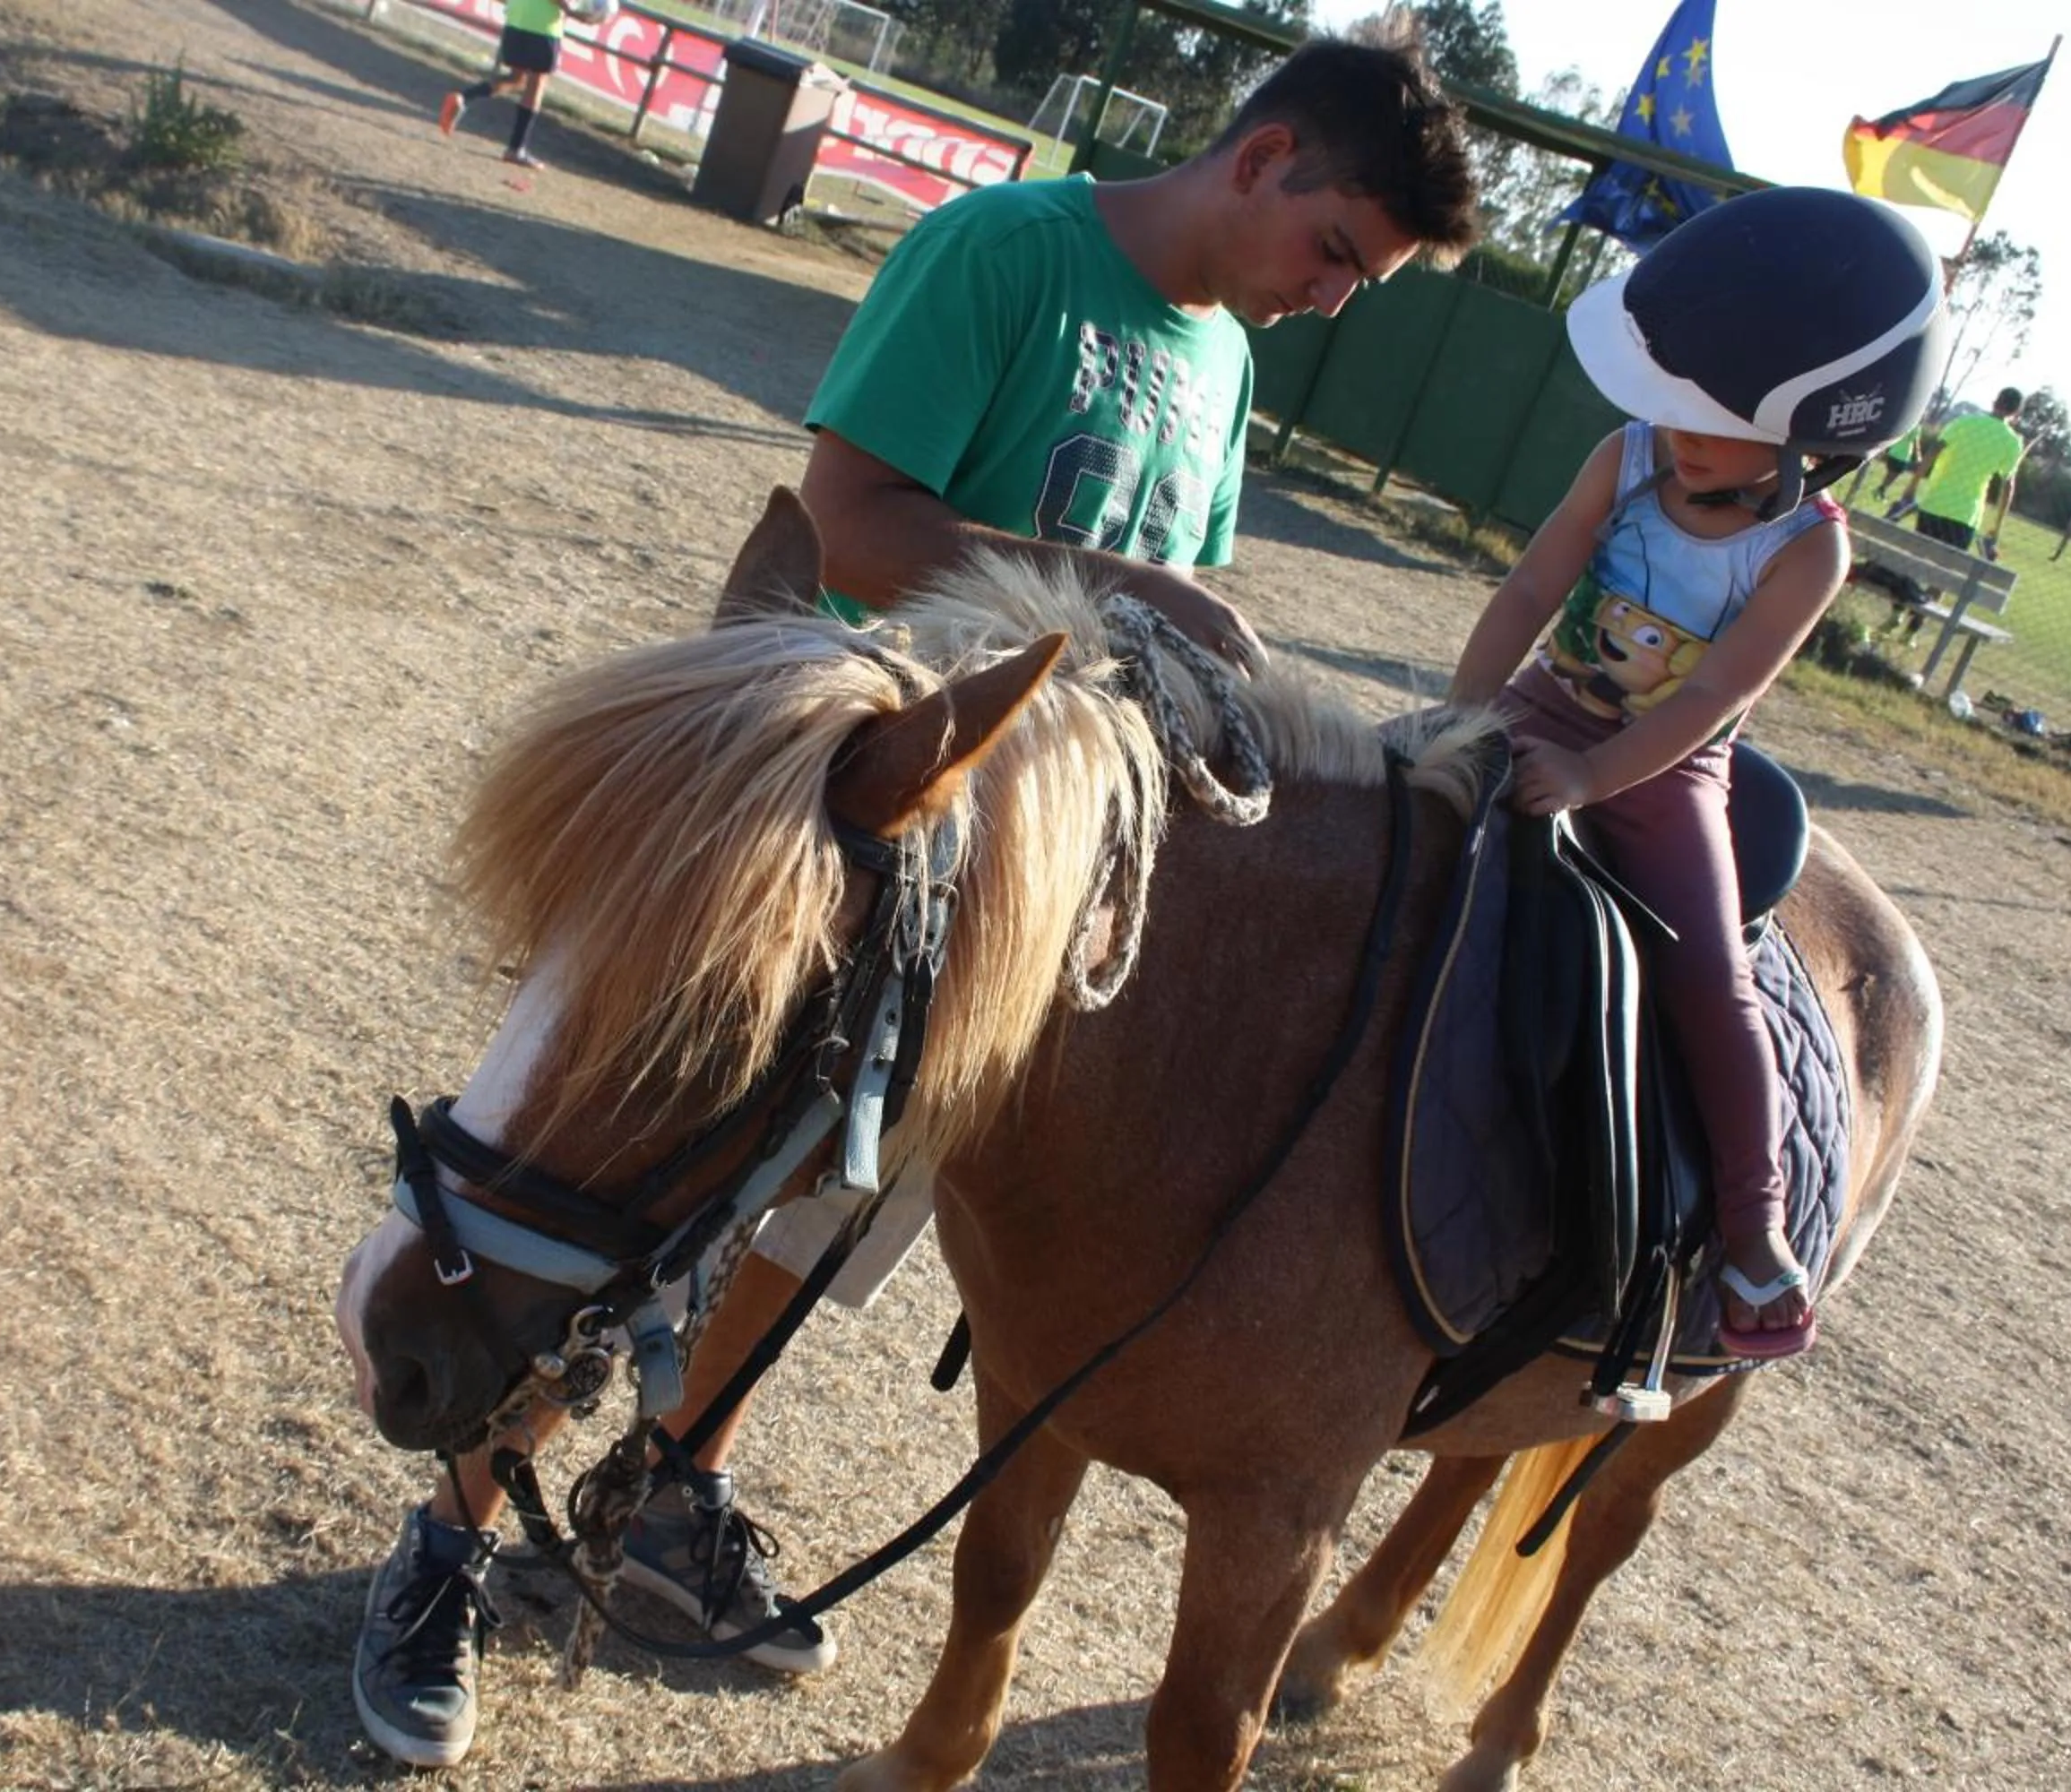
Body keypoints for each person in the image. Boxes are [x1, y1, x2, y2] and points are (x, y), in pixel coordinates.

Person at [349, 30, 1484, 1770]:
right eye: (1339, 253)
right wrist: (1124, 592)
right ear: (1265, 161)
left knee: (823, 1224)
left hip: (1000, 900)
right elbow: (854, 520)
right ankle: (445, 1550)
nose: (1335, 300)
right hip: (831, 838)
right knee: (642, 1186)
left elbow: (1162, 631)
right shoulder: (1010, 253)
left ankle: (668, 1492)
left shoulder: (1223, 366)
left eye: (1367, 285)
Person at [1446, 185, 1946, 1361]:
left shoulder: (1805, 548)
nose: (1671, 427)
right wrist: (1464, 716)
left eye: (1706, 414)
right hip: (1541, 703)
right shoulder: (1624, 457)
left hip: (1665, 771)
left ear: (1810, 439)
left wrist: (1593, 775)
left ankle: (1754, 1232)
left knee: (1714, 980)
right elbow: (1528, 592)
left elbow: (1719, 695)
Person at [1884, 384, 2025, 640]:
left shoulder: (1965, 422)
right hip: (1965, 515)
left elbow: (1933, 452)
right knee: (1943, 576)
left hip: (1934, 504)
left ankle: (1897, 612)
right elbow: (2008, 486)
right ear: (2016, 412)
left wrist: (1912, 486)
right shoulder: (2011, 442)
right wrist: (1996, 527)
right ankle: (1913, 629)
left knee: (1916, 562)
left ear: (1995, 400)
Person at [436, 0, 592, 168]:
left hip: (515, 21)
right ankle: (516, 149)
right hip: (542, 27)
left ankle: (464, 97)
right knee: (536, 84)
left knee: (517, 79)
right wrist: (576, 14)